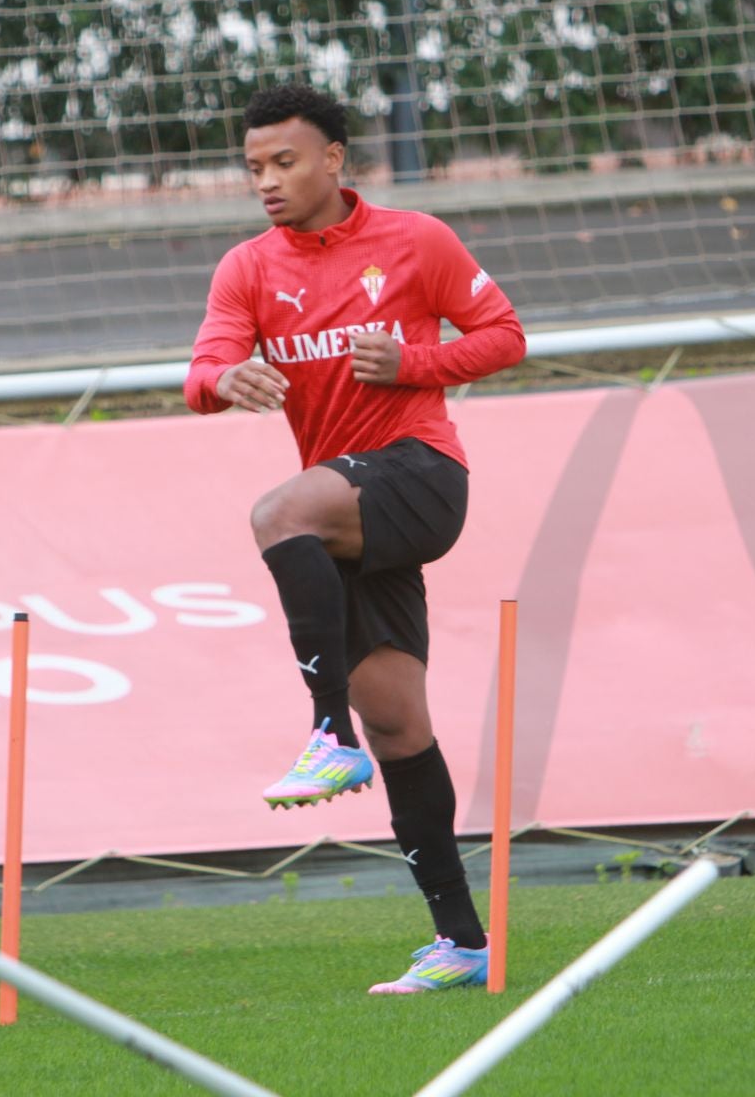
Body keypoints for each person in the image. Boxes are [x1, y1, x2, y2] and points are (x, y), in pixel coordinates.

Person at [185, 84, 526, 992]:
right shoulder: (248, 267)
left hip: (419, 474)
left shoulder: (417, 240)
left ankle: (323, 731)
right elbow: (203, 365)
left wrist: (415, 361)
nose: (267, 180)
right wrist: (227, 381)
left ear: (334, 159)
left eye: (285, 161)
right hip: (348, 513)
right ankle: (462, 943)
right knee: (401, 722)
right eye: (254, 165)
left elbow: (504, 334)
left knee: (275, 512)